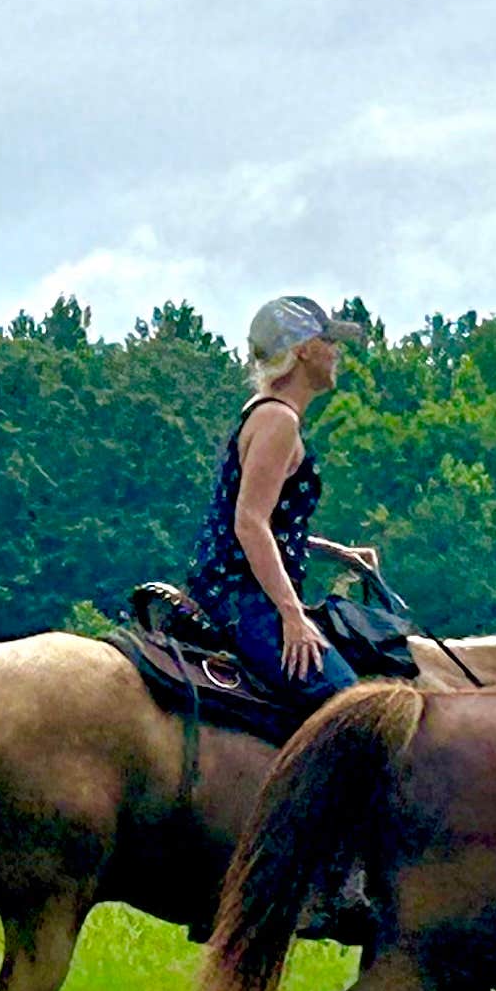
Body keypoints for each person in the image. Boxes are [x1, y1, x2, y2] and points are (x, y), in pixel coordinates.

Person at [184, 293, 382, 704]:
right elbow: (249, 523)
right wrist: (292, 616)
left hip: (228, 589)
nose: (336, 355)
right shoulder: (279, 420)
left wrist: (338, 553)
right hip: (247, 600)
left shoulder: (262, 411)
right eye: (330, 343)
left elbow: (268, 525)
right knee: (354, 708)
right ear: (304, 350)